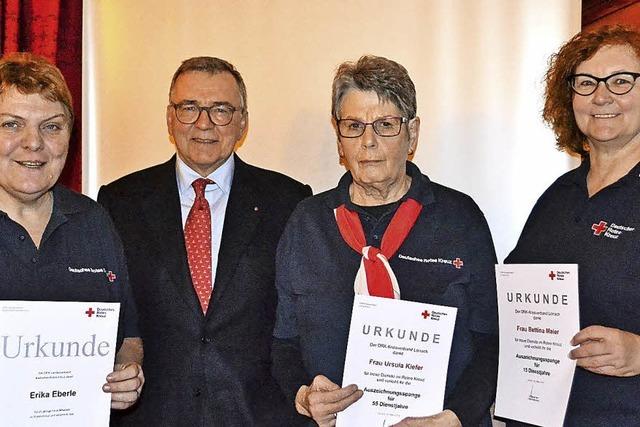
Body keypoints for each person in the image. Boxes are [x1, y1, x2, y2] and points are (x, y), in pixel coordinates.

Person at [273, 55, 498, 427]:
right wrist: (303, 394)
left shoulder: (461, 218)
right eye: (353, 126)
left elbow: (491, 337)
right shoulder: (306, 222)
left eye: (385, 124)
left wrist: (456, 417)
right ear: (338, 135)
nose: (368, 142)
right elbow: (283, 342)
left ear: (413, 133)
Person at [98, 56, 312, 426]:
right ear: (170, 117)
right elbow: (112, 312)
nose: (204, 123)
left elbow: (299, 320)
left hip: (258, 416)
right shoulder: (119, 202)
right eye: (189, 108)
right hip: (153, 416)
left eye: (221, 110)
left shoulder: (289, 201)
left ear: (243, 121)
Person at [504, 25, 640, 426]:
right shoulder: (557, 196)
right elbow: (515, 293)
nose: (601, 96)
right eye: (586, 82)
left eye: (621, 81)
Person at [0, 53, 143, 411]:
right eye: (11, 124)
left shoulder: (95, 221)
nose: (33, 143)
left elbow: (129, 335)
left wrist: (128, 372)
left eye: (52, 126)